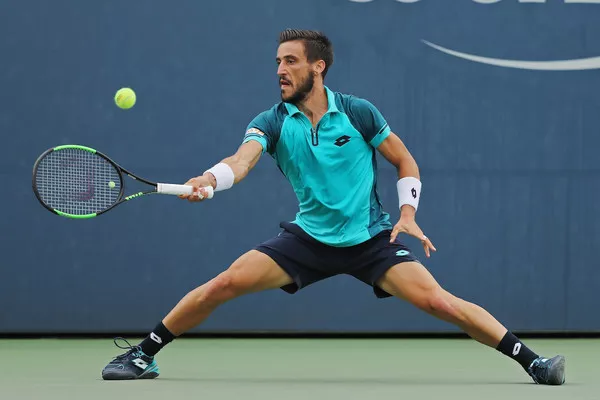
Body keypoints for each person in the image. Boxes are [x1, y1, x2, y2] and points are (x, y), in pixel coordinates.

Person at [101, 29, 565, 385]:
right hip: (308, 240)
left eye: (290, 61)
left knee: (439, 301)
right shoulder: (272, 121)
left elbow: (404, 160)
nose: (280, 70)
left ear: (317, 67)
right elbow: (240, 162)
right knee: (223, 284)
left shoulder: (358, 112)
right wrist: (208, 179)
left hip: (370, 239)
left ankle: (535, 363)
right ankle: (143, 354)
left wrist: (407, 214)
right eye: (277, 62)